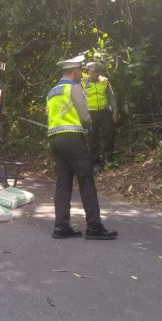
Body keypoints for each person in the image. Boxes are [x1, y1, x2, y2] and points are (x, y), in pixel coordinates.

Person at [47, 55, 118, 240]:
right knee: (86, 179)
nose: (82, 73)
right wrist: (87, 126)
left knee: (63, 182)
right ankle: (94, 227)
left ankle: (61, 227)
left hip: (55, 139)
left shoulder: (53, 90)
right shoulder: (74, 87)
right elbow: (85, 117)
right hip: (72, 138)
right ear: (74, 71)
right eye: (80, 70)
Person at [81, 61, 118, 172]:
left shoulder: (104, 81)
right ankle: (95, 163)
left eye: (98, 71)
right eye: (94, 72)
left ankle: (110, 159)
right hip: (91, 113)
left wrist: (115, 110)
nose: (96, 73)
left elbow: (111, 96)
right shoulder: (82, 82)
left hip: (105, 111)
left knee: (109, 134)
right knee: (92, 139)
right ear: (88, 72)